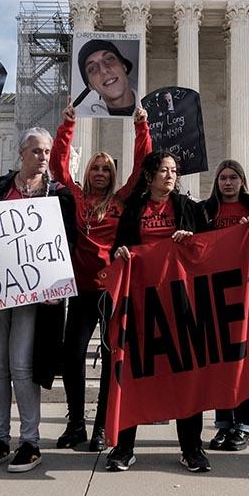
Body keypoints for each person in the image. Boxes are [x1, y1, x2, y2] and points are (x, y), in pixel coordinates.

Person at [0, 127, 76, 473]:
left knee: (22, 365)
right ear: (21, 153)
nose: (43, 157)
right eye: (37, 151)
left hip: (35, 298)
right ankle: (0, 438)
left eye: (47, 152)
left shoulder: (59, 194)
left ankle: (30, 440)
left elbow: (67, 245)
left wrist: (57, 289)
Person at [50, 105, 151, 452]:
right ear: (88, 171)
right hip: (80, 290)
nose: (100, 173)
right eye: (95, 167)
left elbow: (142, 169)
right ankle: (75, 422)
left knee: (110, 359)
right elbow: (58, 167)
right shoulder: (77, 198)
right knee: (72, 356)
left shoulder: (121, 200)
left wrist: (141, 126)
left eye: (106, 169)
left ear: (112, 175)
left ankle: (100, 426)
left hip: (110, 291)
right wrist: (68, 124)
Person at [105, 150, 212, 473]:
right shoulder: (134, 210)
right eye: (164, 170)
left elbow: (210, 251)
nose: (170, 175)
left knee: (185, 375)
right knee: (134, 372)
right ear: (149, 176)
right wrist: (121, 252)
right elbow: (116, 249)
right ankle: (124, 447)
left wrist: (190, 241)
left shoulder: (189, 209)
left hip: (181, 302)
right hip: (141, 302)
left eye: (174, 170)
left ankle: (191, 447)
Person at [201, 159, 249, 452]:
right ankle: (224, 425)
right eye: (223, 178)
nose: (228, 183)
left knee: (243, 362)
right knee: (219, 362)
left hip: (246, 291)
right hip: (216, 291)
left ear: (242, 181)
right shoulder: (206, 211)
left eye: (233, 178)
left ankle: (244, 425)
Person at [73, 39, 138, 116]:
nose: (103, 70)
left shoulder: (151, 103)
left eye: (109, 59)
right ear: (90, 85)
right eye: (92, 68)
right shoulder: (82, 114)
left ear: (124, 67)